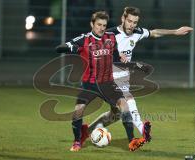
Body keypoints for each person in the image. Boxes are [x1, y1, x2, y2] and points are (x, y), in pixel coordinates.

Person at [80, 6, 193, 151]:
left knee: (115, 114)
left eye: (135, 22)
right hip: (107, 76)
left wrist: (175, 31)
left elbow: (154, 32)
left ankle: (86, 132)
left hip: (123, 77)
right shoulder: (110, 33)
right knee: (128, 100)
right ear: (123, 19)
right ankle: (142, 132)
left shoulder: (137, 32)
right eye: (129, 21)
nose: (132, 25)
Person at [56, 11, 137, 152]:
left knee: (124, 108)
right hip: (89, 84)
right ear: (92, 24)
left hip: (108, 84)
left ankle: (132, 142)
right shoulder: (83, 39)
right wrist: (74, 48)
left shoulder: (111, 37)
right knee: (77, 111)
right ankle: (77, 142)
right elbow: (59, 48)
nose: (101, 28)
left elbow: (115, 53)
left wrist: (121, 58)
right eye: (98, 24)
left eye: (104, 25)